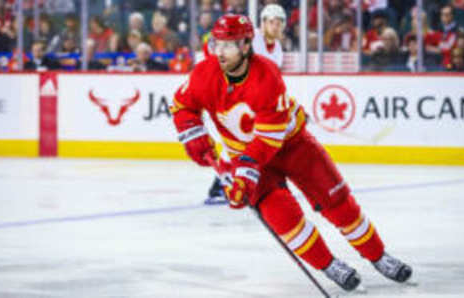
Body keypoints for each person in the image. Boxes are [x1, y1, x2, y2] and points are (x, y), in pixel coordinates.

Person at [169, 14, 413, 291]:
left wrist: (244, 175)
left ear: (246, 45)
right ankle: (329, 265)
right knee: (285, 220)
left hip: (292, 146)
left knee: (339, 203)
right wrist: (196, 138)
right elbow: (182, 107)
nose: (220, 51)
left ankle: (378, 256)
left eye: (229, 45)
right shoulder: (203, 74)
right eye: (217, 44)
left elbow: (268, 139)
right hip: (247, 157)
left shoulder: (267, 75)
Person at [205, 5, 287, 205]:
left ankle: (228, 183)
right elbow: (215, 48)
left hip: (252, 101)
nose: (276, 26)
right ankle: (221, 185)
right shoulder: (250, 39)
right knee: (240, 141)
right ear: (263, 22)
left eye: (279, 22)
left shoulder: (277, 50)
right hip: (231, 95)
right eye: (272, 21)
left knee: (254, 141)